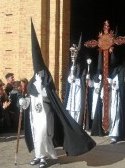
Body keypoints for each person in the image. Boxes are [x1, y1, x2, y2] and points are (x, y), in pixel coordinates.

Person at [19, 20, 95, 168]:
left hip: (46, 115)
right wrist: (23, 102)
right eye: (37, 72)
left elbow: (49, 98)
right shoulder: (31, 82)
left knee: (42, 134)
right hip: (34, 114)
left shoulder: (46, 80)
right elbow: (30, 100)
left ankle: (44, 157)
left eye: (41, 71)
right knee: (36, 134)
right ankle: (38, 156)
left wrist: (42, 87)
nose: (39, 73)